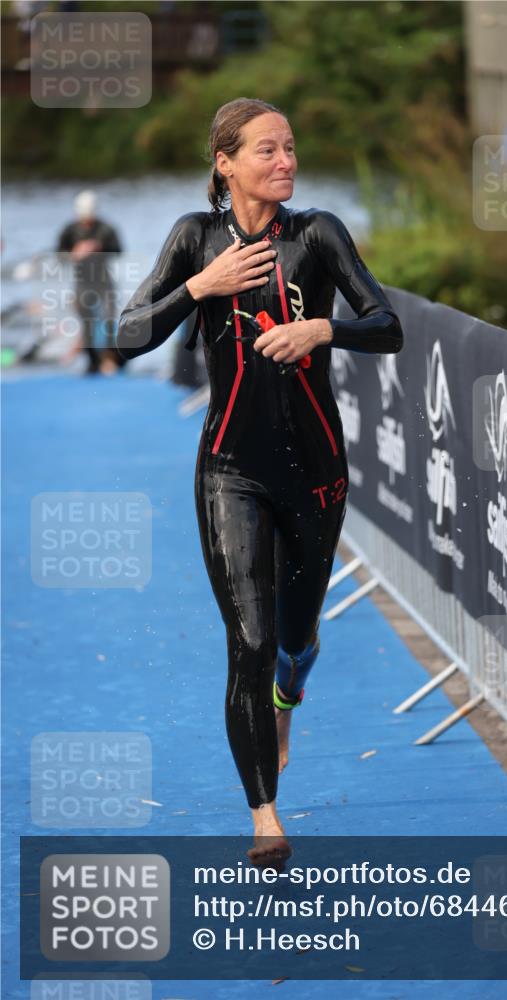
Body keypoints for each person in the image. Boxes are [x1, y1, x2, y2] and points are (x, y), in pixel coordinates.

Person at [115, 97, 403, 865]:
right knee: (249, 638)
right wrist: (199, 287)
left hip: (315, 473)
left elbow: (388, 326)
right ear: (225, 162)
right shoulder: (194, 238)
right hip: (229, 473)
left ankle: (289, 691)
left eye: (290, 149)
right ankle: (265, 819)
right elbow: (126, 335)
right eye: (267, 151)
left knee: (296, 636)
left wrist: (323, 328)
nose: (285, 162)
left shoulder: (317, 235)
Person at [56, 190, 127, 375]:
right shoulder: (70, 230)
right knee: (86, 321)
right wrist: (75, 253)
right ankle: (92, 361)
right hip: (82, 282)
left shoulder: (106, 229)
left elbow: (119, 251)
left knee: (109, 318)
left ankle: (113, 359)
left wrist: (99, 248)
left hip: (103, 280)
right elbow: (59, 256)